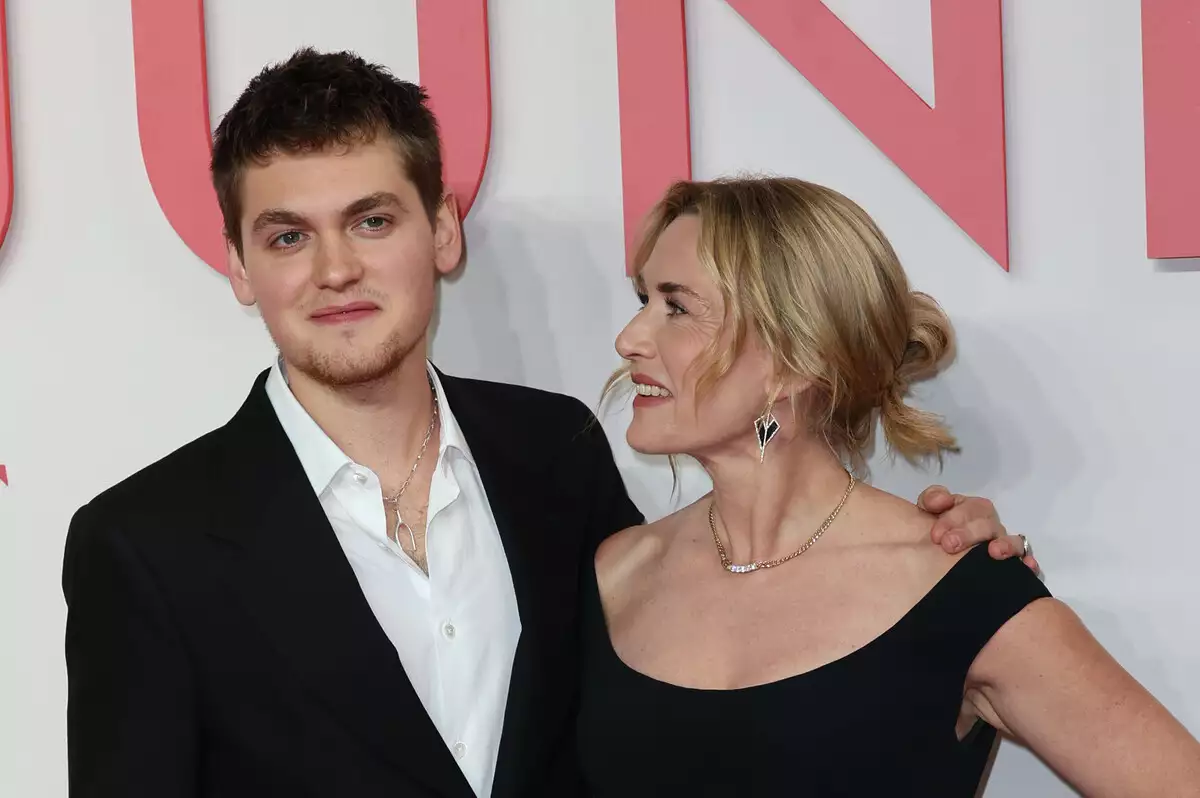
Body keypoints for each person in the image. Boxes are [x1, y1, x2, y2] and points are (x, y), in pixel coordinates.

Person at [61, 50, 1031, 798]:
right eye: (286, 237)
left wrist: (932, 566)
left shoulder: (555, 452)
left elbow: (707, 640)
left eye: (371, 221)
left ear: (443, 232)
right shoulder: (144, 544)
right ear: (239, 267)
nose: (335, 270)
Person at [576, 176, 1200, 796]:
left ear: (795, 355)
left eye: (676, 308)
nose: (628, 339)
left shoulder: (956, 586)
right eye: (644, 300)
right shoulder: (613, 574)